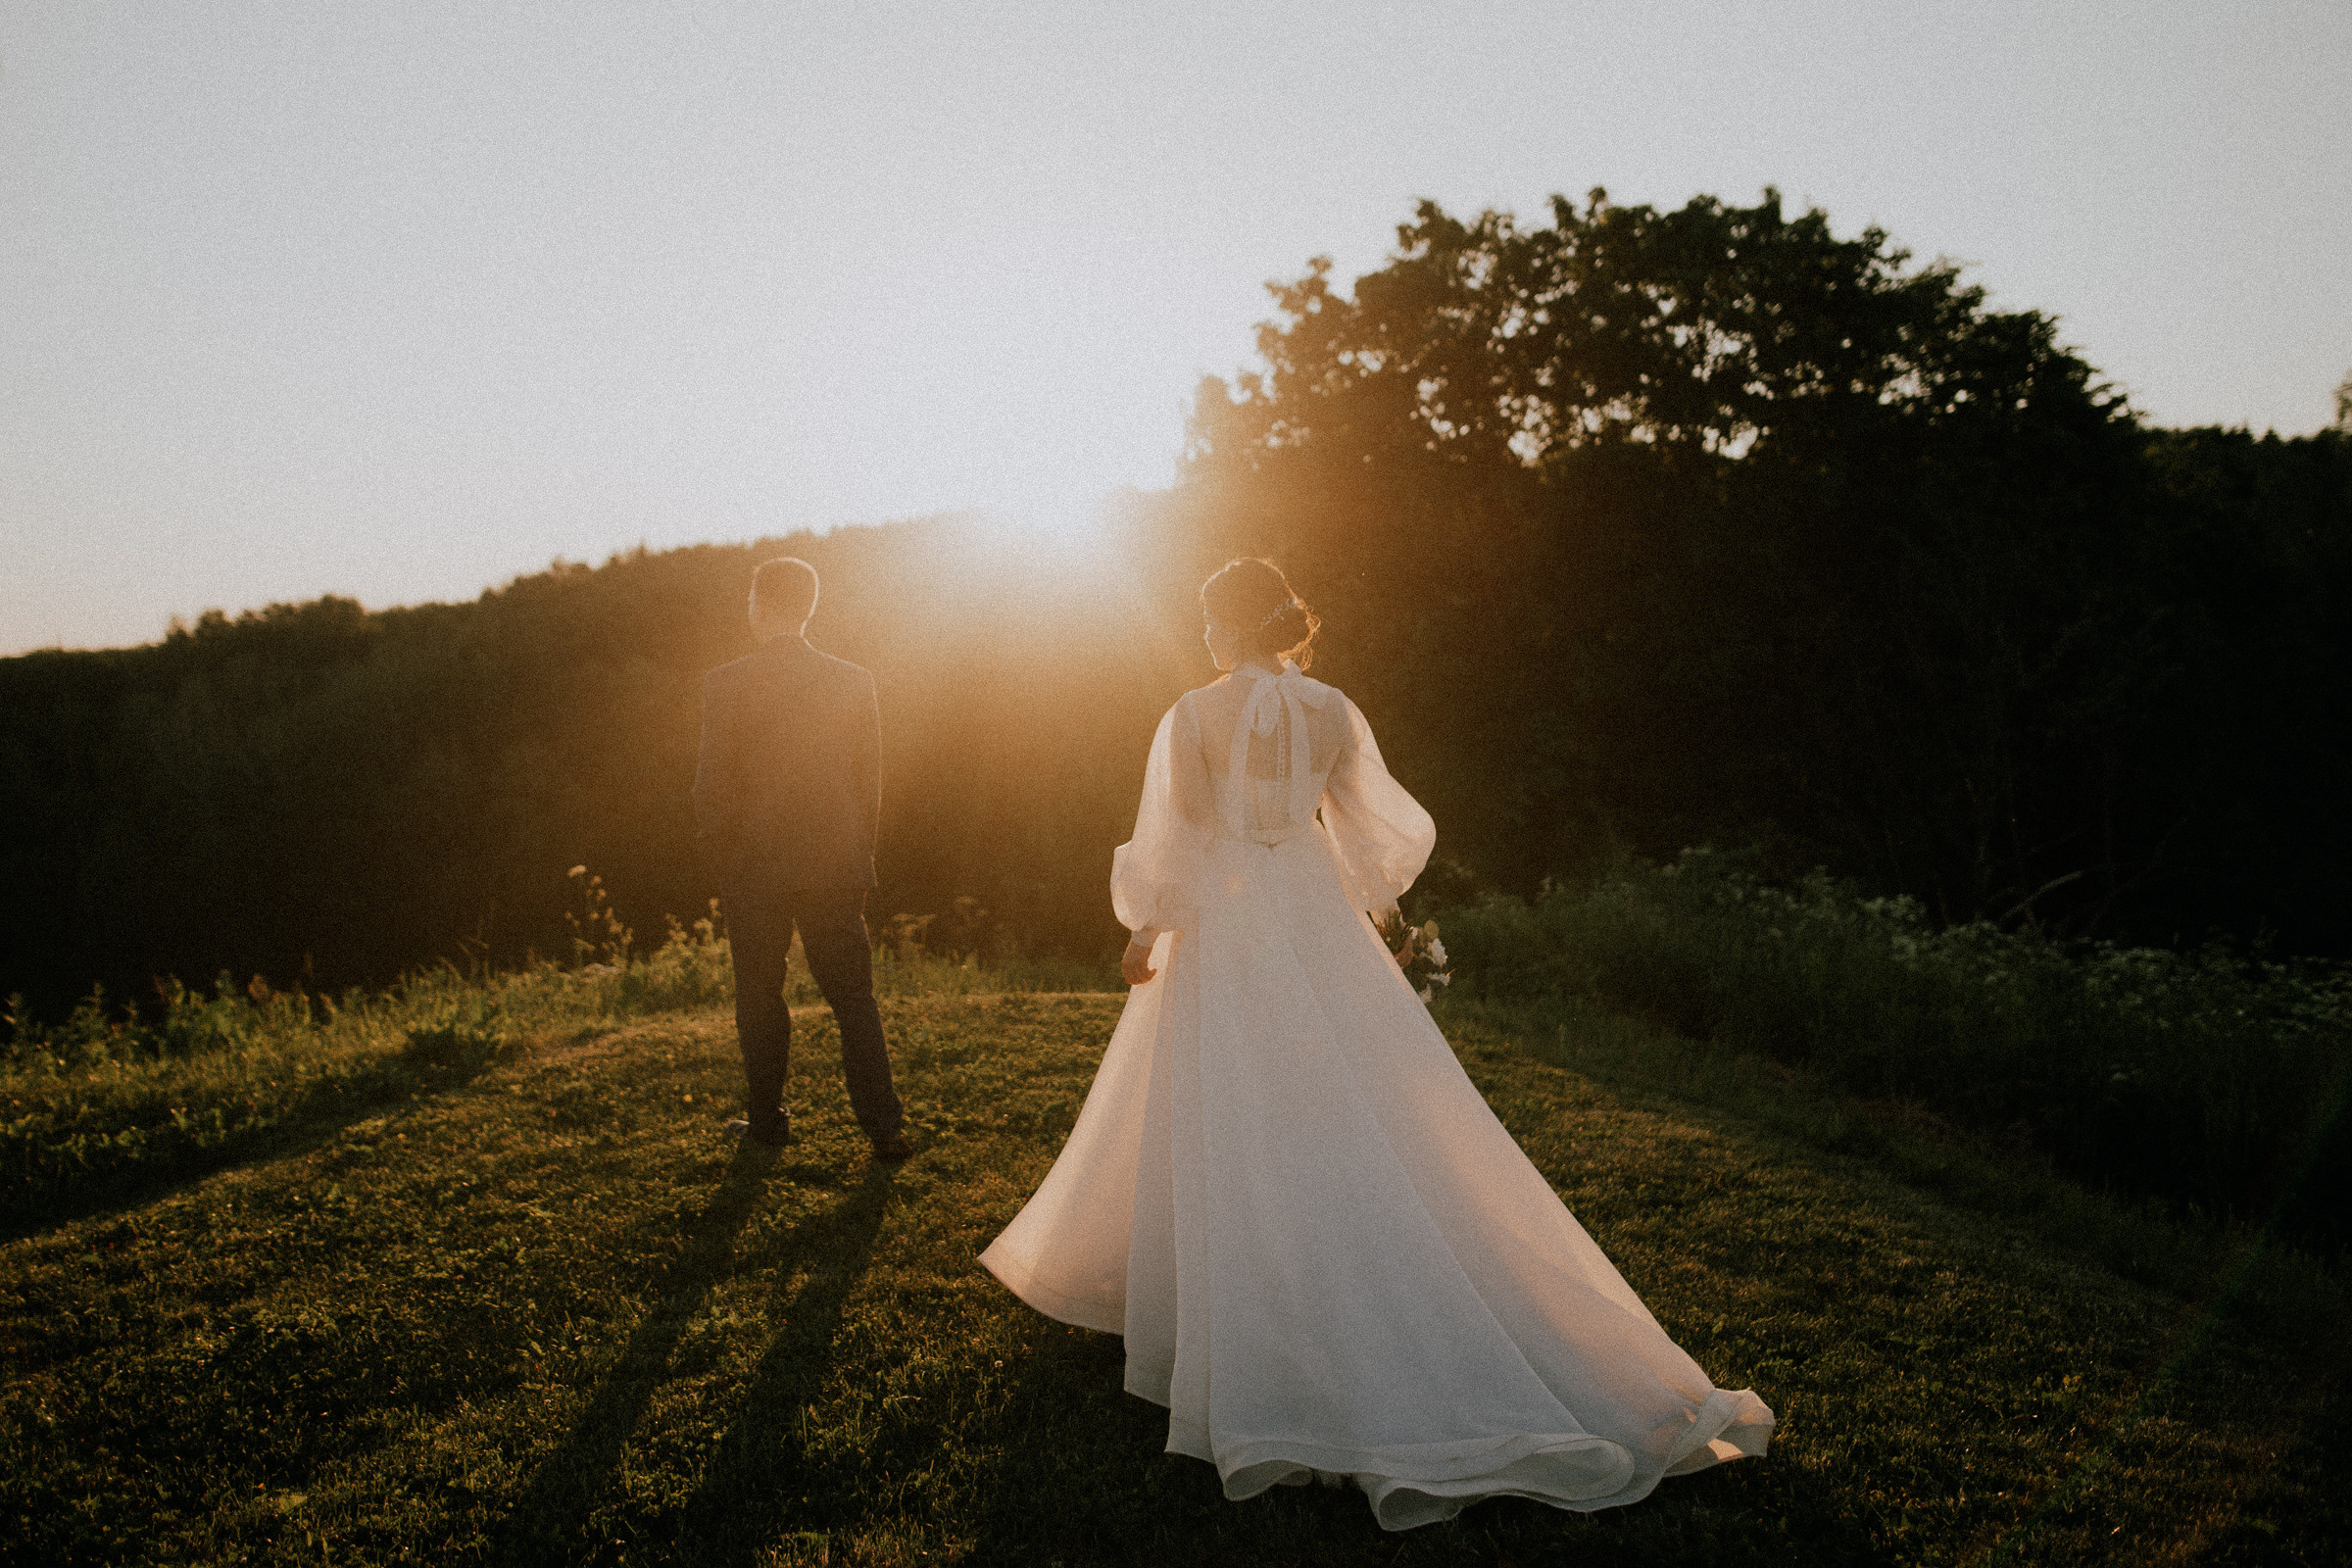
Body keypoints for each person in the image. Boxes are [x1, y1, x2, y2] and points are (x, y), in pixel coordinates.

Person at [979, 558, 1771, 1530]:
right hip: (1313, 912)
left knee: (1233, 1103)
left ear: (1221, 625)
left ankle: (1251, 1323)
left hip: (1229, 922)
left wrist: (1151, 925)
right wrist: (1385, 918)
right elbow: (1374, 832)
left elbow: (1181, 831)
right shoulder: (1334, 710)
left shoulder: (1191, 715)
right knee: (1348, 1100)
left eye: (1204, 620)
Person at [693, 556, 911, 1161]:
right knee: (852, 998)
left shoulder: (725, 682)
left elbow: (710, 787)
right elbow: (869, 782)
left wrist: (726, 862)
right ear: (810, 607)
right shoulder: (852, 679)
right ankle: (883, 1128)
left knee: (759, 996)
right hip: (834, 863)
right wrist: (858, 856)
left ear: (758, 606)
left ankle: (766, 1123)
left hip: (753, 868)